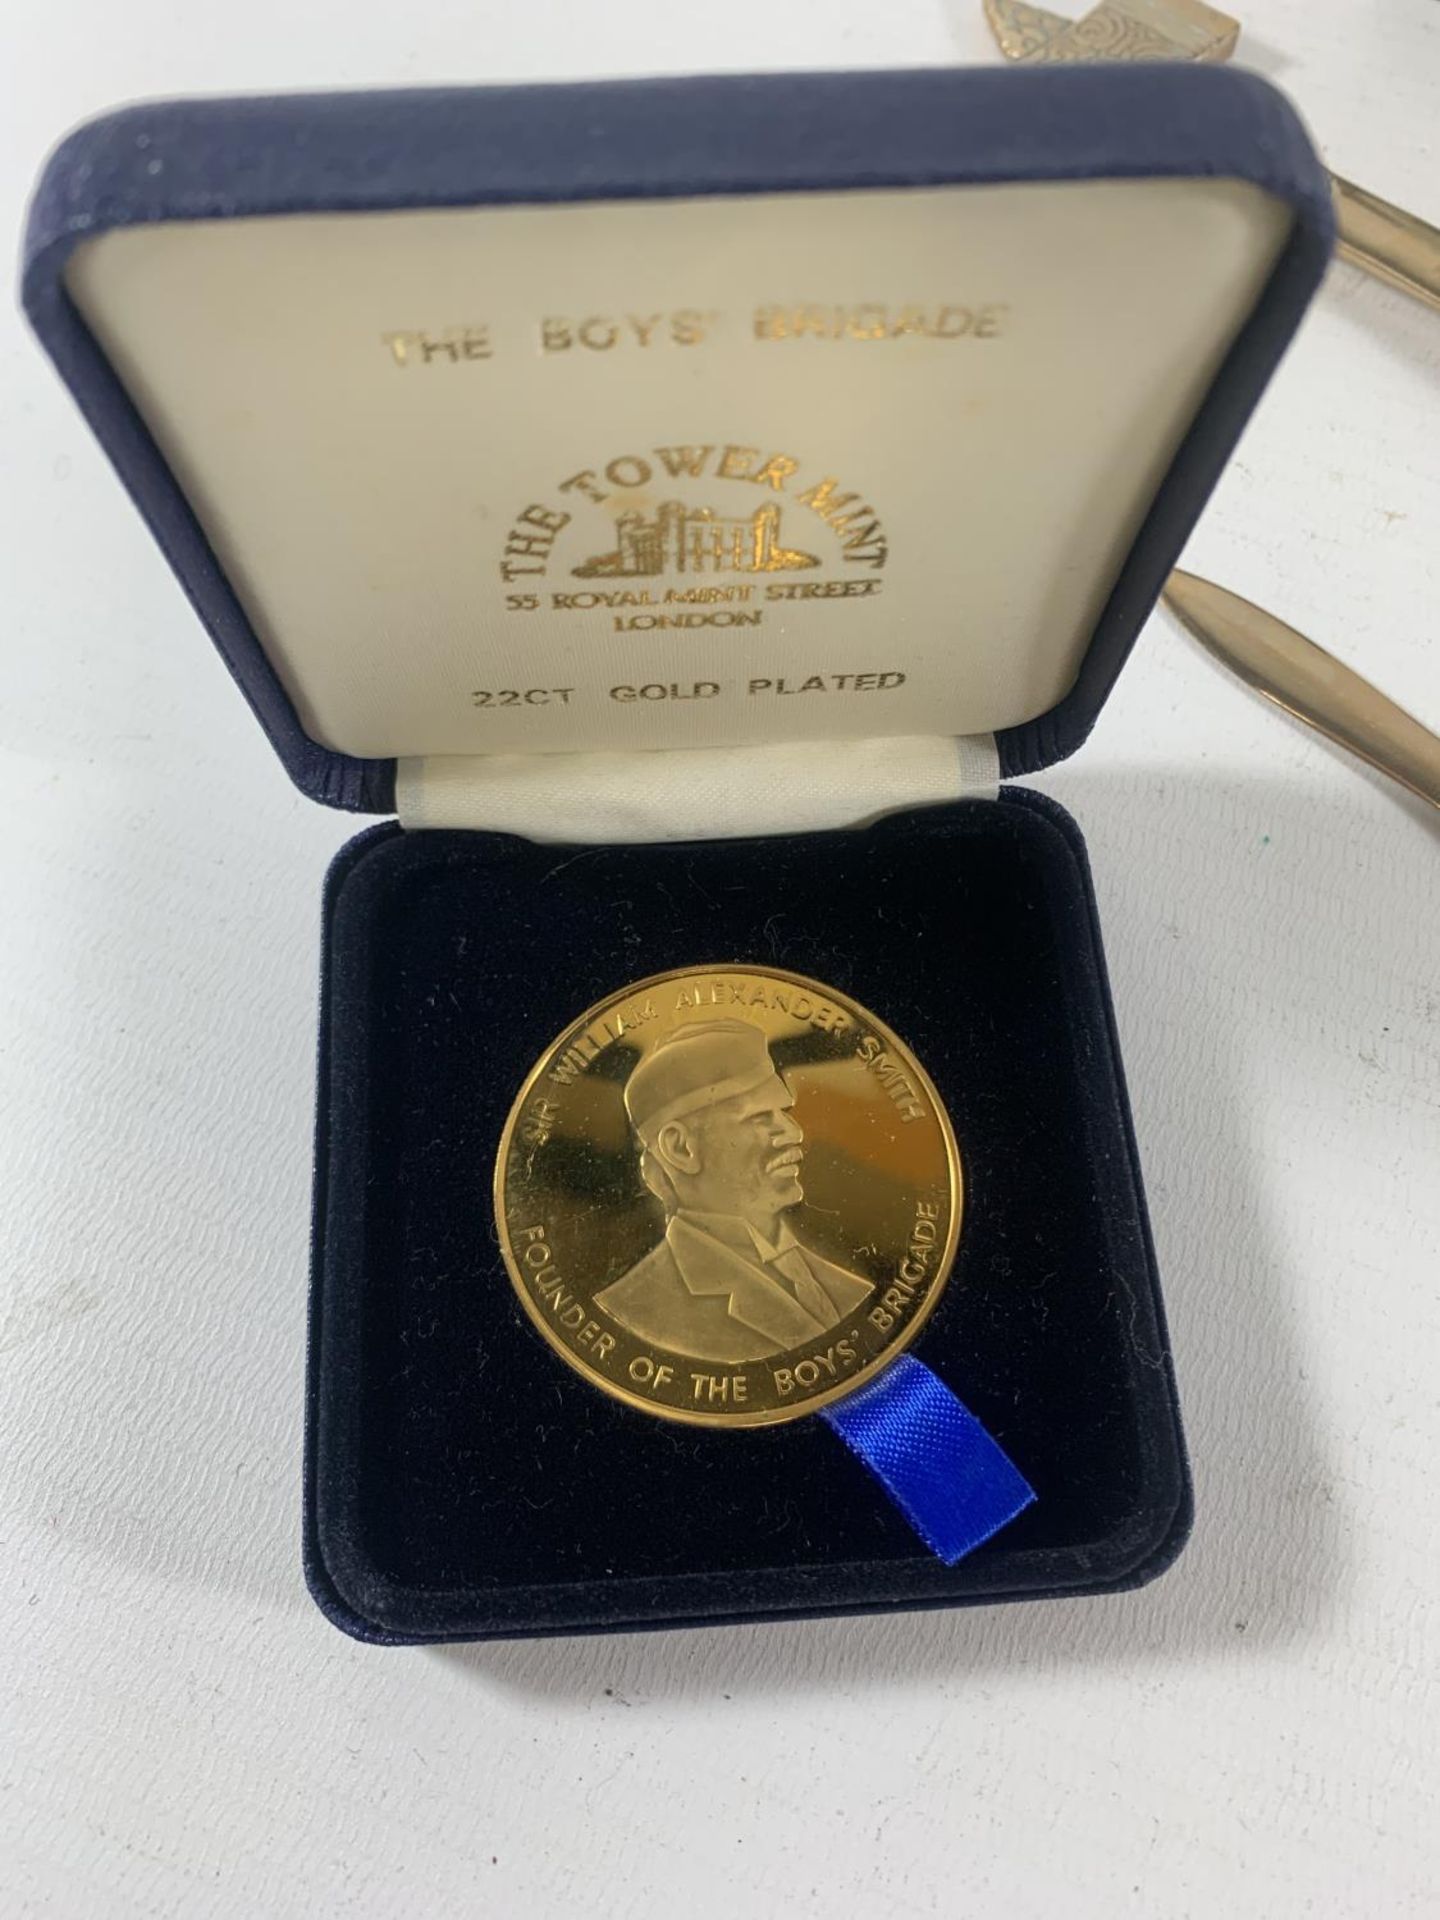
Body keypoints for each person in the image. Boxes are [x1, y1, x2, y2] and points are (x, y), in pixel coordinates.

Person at [595, 1019, 874, 1364]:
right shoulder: (633, 1308)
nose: (793, 1132)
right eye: (760, 1117)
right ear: (680, 1148)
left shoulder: (847, 1288)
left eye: (783, 1112)